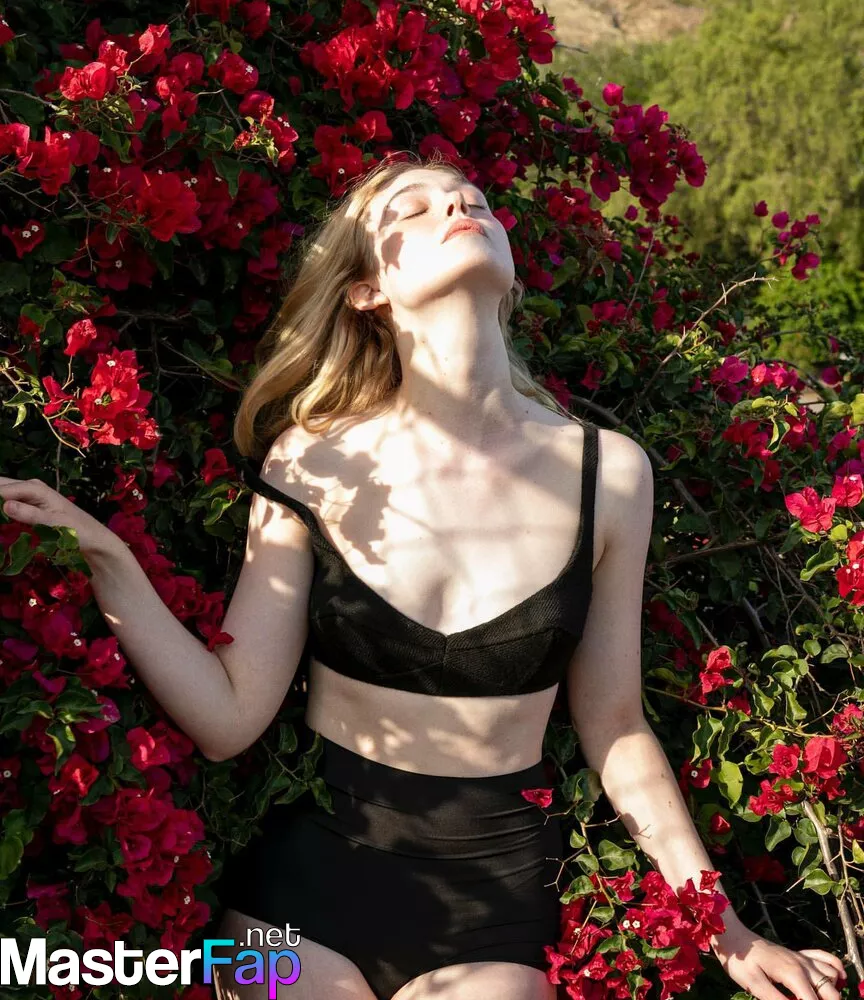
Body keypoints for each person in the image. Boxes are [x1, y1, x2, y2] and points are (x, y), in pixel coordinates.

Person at [0, 151, 846, 1000]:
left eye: (474, 200)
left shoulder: (610, 474)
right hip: (303, 889)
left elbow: (616, 726)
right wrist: (106, 556)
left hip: (498, 897)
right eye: (413, 209)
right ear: (367, 290)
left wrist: (726, 932)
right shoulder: (311, 461)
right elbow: (228, 717)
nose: (457, 208)